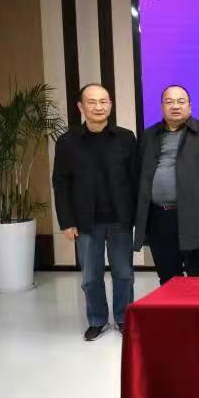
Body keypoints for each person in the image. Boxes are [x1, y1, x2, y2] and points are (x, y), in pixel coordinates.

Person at [52, 84, 137, 340]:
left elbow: (135, 179)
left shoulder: (126, 138)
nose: (98, 107)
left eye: (103, 101)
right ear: (81, 106)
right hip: (85, 221)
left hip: (120, 220)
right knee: (90, 277)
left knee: (124, 274)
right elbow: (61, 182)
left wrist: (137, 217)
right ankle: (97, 320)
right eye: (92, 102)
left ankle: (123, 318)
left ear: (110, 105)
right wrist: (66, 221)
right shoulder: (67, 142)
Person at [133, 85, 199, 285]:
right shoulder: (149, 135)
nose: (175, 106)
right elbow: (139, 173)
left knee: (196, 272)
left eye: (181, 101)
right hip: (158, 216)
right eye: (169, 102)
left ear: (189, 106)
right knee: (167, 275)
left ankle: (198, 306)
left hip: (193, 215)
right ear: (162, 106)